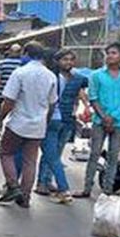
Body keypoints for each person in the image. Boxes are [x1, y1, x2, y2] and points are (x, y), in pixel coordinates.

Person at [0, 42, 57, 208]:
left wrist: (0, 119)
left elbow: (9, 101)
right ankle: (26, 197)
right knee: (30, 161)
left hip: (18, 123)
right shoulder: (51, 76)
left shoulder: (20, 73)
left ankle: (13, 185)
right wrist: (46, 120)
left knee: (5, 153)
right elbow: (52, 104)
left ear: (26, 53)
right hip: (37, 126)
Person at [75, 43, 120, 198]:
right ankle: (87, 188)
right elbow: (93, 97)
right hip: (99, 121)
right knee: (94, 154)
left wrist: (112, 117)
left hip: (118, 122)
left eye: (114, 53)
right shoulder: (96, 75)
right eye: (108, 53)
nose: (110, 56)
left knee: (113, 156)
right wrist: (104, 117)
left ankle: (107, 190)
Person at [35, 49, 88, 203]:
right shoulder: (51, 76)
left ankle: (47, 180)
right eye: (65, 59)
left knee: (56, 152)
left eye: (71, 59)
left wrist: (85, 105)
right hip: (51, 118)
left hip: (68, 119)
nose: (69, 62)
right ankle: (42, 183)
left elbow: (81, 92)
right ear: (57, 61)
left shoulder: (77, 78)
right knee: (50, 152)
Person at [0, 44, 24, 115]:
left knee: (1, 114)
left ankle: (0, 124)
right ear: (20, 52)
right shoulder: (22, 64)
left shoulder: (2, 63)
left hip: (2, 94)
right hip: (17, 95)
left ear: (10, 51)